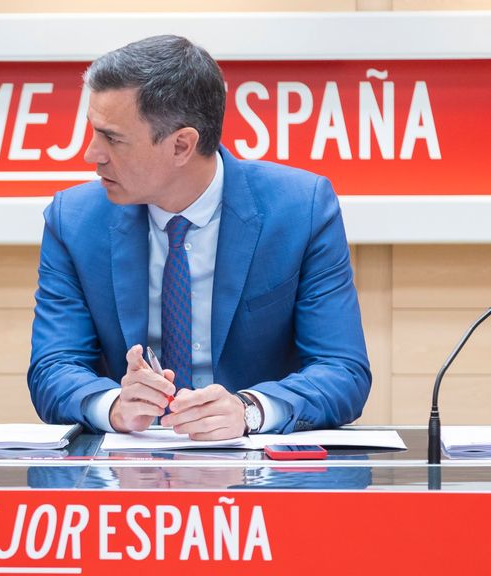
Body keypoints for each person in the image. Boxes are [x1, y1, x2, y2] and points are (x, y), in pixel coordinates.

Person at [28, 35, 370, 440]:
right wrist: (114, 405)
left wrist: (250, 409)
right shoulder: (74, 219)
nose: (91, 154)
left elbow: (342, 369)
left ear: (182, 145)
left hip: (261, 476)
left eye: (113, 139)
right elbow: (53, 366)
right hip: (126, 480)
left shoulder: (301, 209)